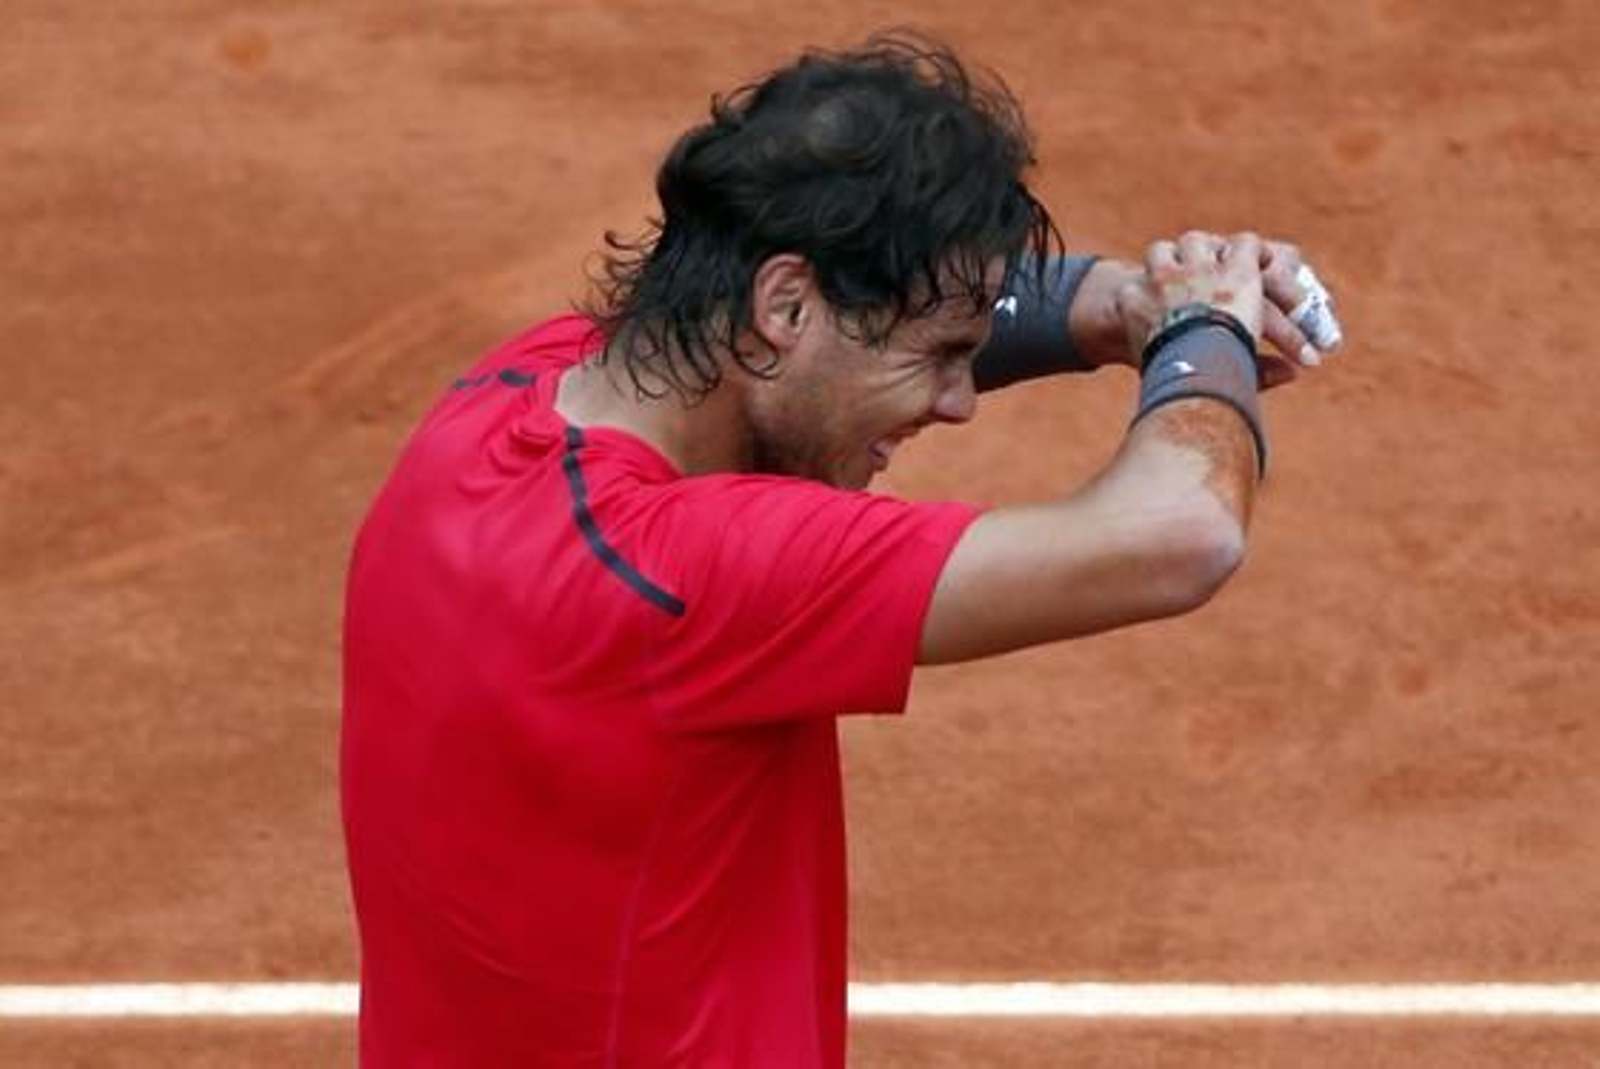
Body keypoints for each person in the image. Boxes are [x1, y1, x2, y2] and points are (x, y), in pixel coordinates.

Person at [340, 32, 1342, 1068]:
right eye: (939, 358)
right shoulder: (684, 575)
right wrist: (1200, 332)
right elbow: (1180, 535)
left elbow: (836, 345)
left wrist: (1114, 304)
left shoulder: (510, 396)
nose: (957, 403)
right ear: (782, 304)